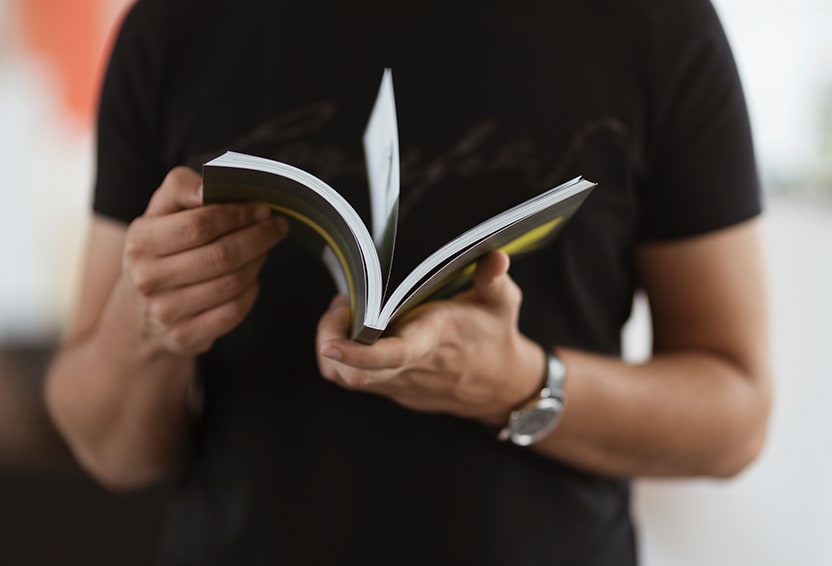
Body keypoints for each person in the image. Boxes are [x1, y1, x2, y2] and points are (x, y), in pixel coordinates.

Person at [45, 0, 772, 564]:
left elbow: (735, 415)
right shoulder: (177, 25)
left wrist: (519, 384)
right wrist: (143, 326)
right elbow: (110, 449)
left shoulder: (654, 26)